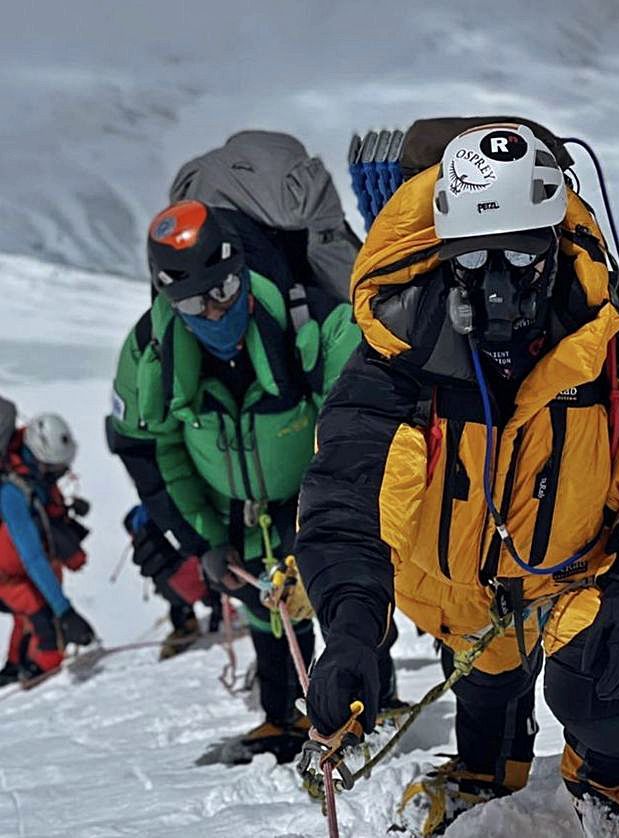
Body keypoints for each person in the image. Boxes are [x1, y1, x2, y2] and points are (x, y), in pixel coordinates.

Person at [296, 120, 619, 837]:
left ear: (554, 240)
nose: (498, 280)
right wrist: (351, 631)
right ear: (446, 252)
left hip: (580, 576)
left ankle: (613, 782)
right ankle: (486, 772)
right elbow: (349, 489)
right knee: (487, 675)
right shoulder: (400, 347)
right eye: (475, 258)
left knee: (618, 653)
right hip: (458, 590)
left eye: (522, 252)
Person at [107, 131, 405, 762]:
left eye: (222, 291)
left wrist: (327, 522)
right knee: (267, 607)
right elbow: (150, 451)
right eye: (192, 302)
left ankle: (370, 701)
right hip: (235, 512)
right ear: (167, 300)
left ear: (239, 270)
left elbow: (355, 426)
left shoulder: (316, 324)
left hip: (316, 492)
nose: (213, 313)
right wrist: (204, 543)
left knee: (338, 587)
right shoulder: (151, 355)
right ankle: (282, 718)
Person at [0, 408, 95, 685]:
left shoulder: (30, 477)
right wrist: (65, 612)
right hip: (5, 578)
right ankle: (42, 678)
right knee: (45, 616)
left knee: (34, 603)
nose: (59, 474)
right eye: (55, 468)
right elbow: (33, 558)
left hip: (11, 572)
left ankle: (16, 667)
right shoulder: (10, 493)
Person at [122, 503, 223, 660]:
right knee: (211, 586)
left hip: (168, 584)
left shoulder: (142, 532)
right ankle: (218, 617)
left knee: (179, 603)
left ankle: (185, 626)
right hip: (189, 573)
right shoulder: (159, 512)